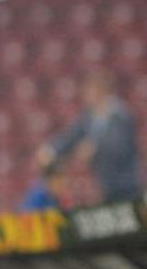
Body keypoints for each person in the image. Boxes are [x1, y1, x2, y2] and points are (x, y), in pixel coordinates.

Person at [39, 72, 142, 203]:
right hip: (106, 184)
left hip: (127, 183)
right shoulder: (90, 117)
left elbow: (120, 146)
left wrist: (95, 147)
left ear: (101, 92)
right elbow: (72, 136)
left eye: (90, 91)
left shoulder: (120, 115)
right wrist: (52, 149)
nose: (86, 96)